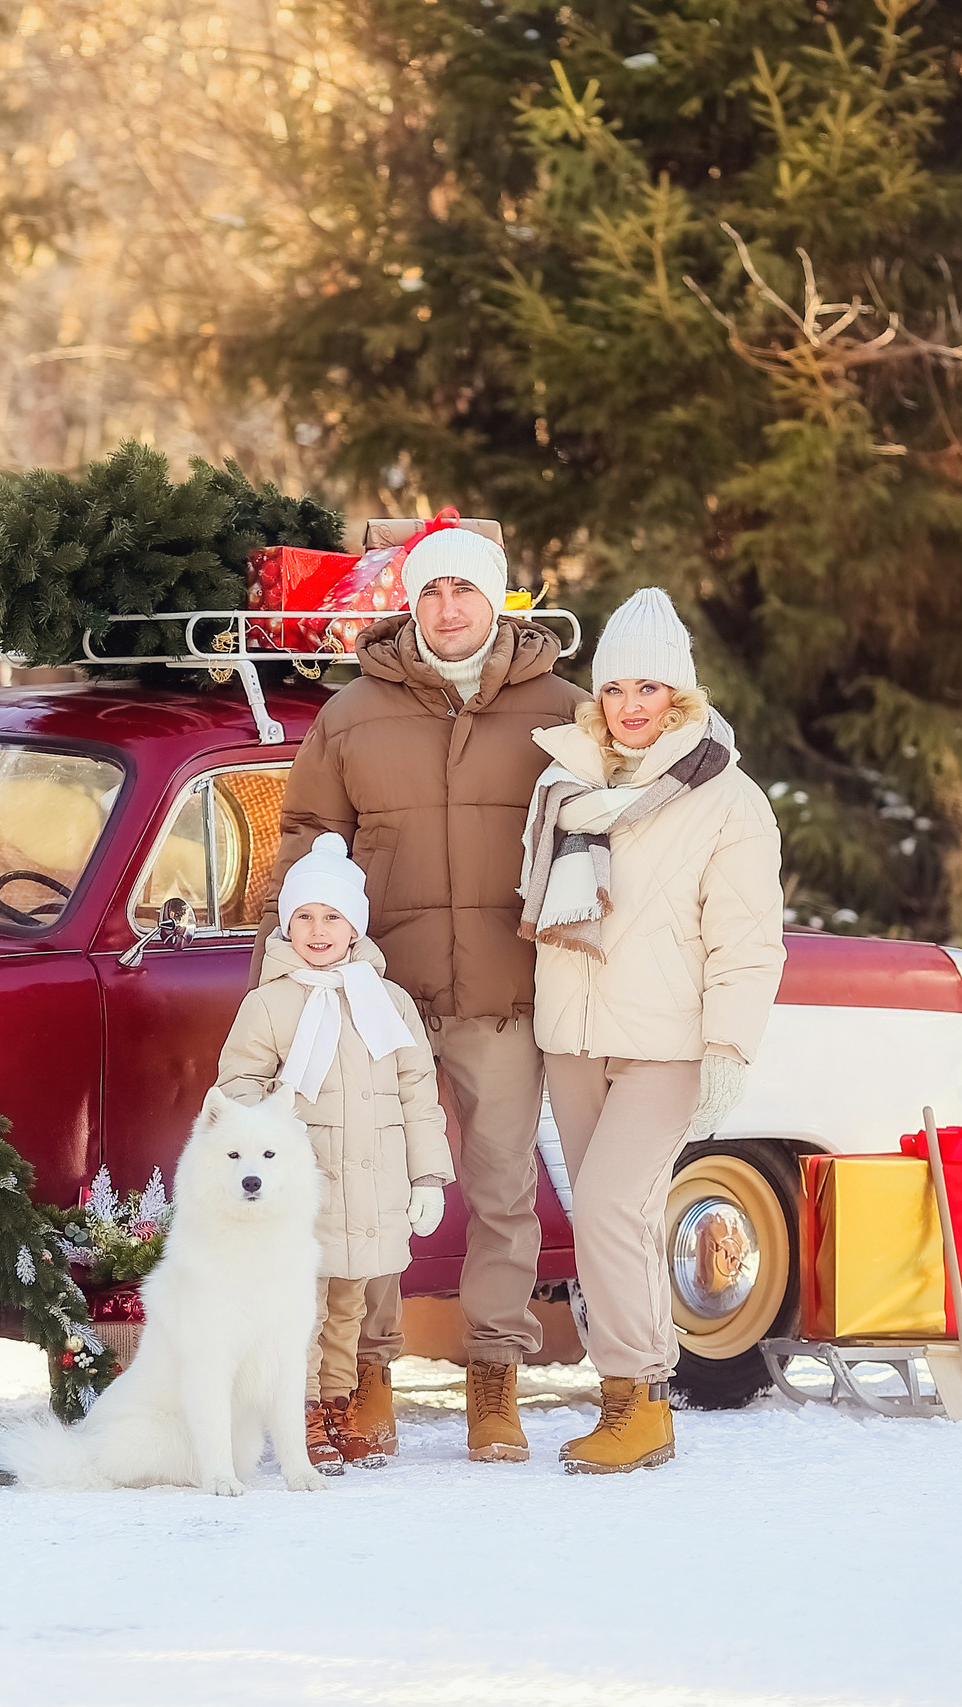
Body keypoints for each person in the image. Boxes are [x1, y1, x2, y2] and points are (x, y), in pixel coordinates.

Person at [257, 518, 588, 1464]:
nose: (447, 608)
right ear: (412, 602)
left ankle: (494, 1380)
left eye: (466, 591)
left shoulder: (562, 709)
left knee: (501, 1189)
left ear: (498, 601)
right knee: (367, 1181)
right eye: (431, 591)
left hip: (504, 990)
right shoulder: (353, 713)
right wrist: (279, 970)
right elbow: (306, 836)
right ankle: (367, 1373)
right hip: (373, 995)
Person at [516, 587, 784, 1473]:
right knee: (614, 1226)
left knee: (607, 1205)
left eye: (651, 690)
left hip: (665, 1043)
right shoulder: (566, 781)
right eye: (618, 689)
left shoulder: (728, 799)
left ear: (682, 696)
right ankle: (636, 1405)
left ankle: (641, 1399)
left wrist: (728, 1046)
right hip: (575, 1033)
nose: (632, 707)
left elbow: (746, 937)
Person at [217, 833, 449, 1472]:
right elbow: (235, 1088)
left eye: (333, 916)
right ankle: (304, 1411)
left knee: (349, 1304)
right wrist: (274, 1105)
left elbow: (417, 1093)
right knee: (303, 1307)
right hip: (304, 1190)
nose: (318, 930)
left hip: (370, 1189)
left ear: (355, 926)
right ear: (288, 924)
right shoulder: (268, 1005)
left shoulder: (387, 1003)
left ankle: (340, 1401)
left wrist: (427, 1177)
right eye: (305, 916)